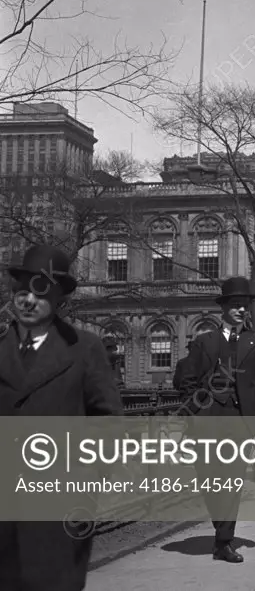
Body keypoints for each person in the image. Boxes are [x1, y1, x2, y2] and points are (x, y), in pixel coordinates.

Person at [0, 244, 123, 591]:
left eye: (39, 293)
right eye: (21, 292)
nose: (28, 301)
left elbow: (108, 420)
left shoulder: (84, 349)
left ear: (58, 301)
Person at [179, 276, 255, 564]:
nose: (241, 310)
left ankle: (224, 541)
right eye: (235, 305)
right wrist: (195, 411)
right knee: (210, 482)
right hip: (208, 421)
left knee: (232, 481)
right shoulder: (203, 342)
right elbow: (186, 381)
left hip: (239, 419)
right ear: (224, 308)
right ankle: (220, 528)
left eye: (244, 306)